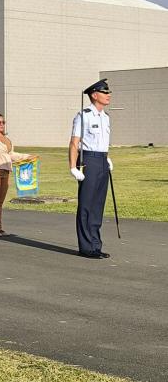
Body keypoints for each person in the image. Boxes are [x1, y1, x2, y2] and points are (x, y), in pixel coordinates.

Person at [69, 79, 113, 259]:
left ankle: (96, 245)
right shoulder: (83, 116)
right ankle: (86, 247)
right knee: (87, 205)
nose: (109, 95)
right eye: (105, 92)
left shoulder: (106, 117)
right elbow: (74, 143)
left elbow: (103, 142)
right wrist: (73, 167)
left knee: (97, 205)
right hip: (88, 160)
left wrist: (106, 157)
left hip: (101, 159)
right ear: (95, 95)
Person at [0, 113, 34, 237]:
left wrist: (26, 157)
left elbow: (11, 155)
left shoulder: (6, 139)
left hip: (5, 171)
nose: (2, 125)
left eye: (3, 122)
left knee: (0, 201)